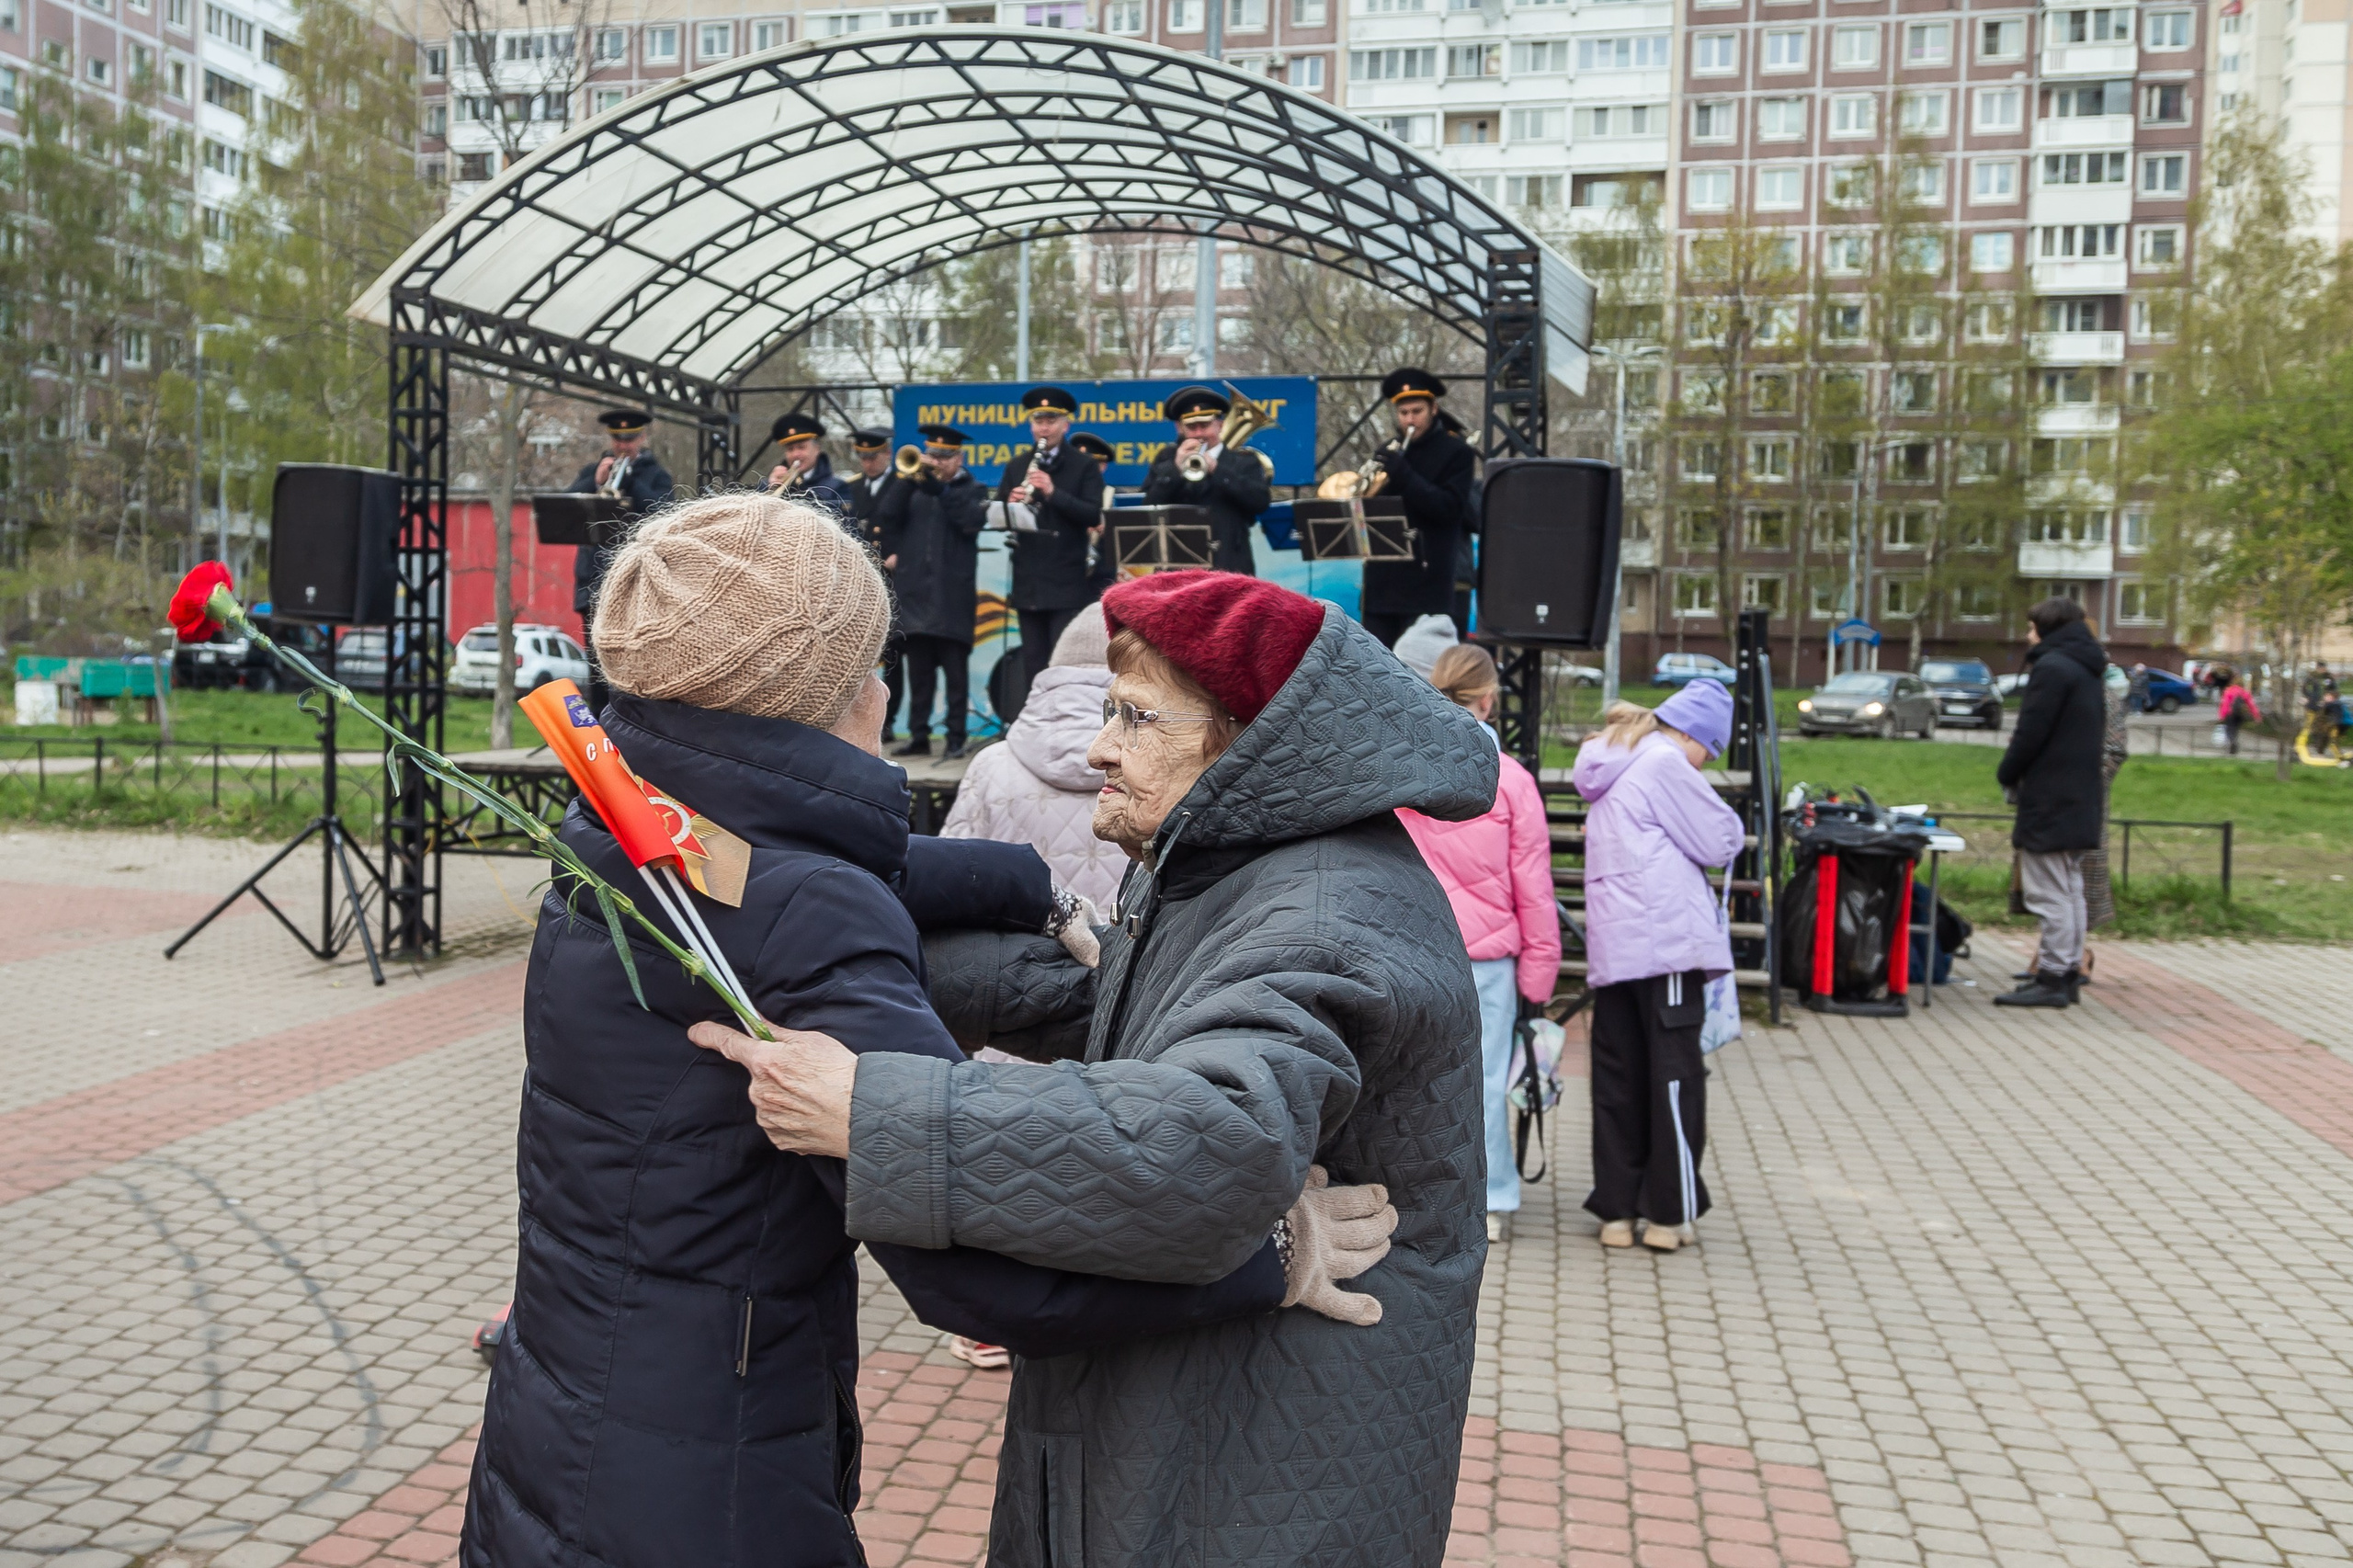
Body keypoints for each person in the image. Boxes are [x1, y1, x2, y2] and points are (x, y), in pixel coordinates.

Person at [460, 495, 1396, 1568]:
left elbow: (794, 859)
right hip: (708, 1480)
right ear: (841, 685)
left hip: (561, 1417)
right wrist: (1269, 1252)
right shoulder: (811, 910)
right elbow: (974, 1253)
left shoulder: (624, 826)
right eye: (871, 651)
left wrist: (1030, 893)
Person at [691, 568, 1501, 1568]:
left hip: (1246, 1475)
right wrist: (837, 953)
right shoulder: (1246, 863)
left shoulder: (1324, 913)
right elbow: (1130, 1003)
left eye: (1135, 716)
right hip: (1199, 1430)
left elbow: (1214, 1141)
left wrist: (875, 1109)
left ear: (1252, 739)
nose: (1096, 746)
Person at [1395, 643, 1560, 1244]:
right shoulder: (1512, 781)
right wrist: (1539, 976)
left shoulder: (1407, 771)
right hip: (1490, 958)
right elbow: (1534, 887)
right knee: (1486, 1079)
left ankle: (1415, 1190)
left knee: (1414, 1076)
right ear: (1490, 700)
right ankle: (1489, 1200)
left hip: (1416, 947)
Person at [1572, 682, 1745, 1252]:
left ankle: (1617, 1210)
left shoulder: (1612, 761)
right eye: (1710, 752)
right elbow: (1721, 840)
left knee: (1619, 1077)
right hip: (1666, 941)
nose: (1707, 765)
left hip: (1615, 948)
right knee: (1674, 1077)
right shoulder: (1665, 762)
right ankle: (1669, 1213)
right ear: (1693, 733)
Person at [938, 602, 1125, 913]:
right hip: (1134, 957)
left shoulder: (990, 766)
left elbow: (950, 881)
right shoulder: (1158, 766)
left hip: (1016, 957)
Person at [1995, 597, 2109, 1008]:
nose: (2028, 635)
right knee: (2070, 887)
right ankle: (2066, 972)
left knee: (2048, 892)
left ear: (2048, 628)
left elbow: (2032, 731)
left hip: (2050, 796)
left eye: (2032, 627)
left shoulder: (2053, 668)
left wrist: (2007, 771)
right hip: (2079, 795)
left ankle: (2054, 977)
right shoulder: (2087, 668)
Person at [879, 423, 984, 759]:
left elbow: (970, 522)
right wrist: (908, 480)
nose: (937, 462)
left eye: (944, 456)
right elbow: (886, 516)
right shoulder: (914, 487)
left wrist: (942, 492)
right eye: (933, 455)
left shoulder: (974, 489)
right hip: (915, 595)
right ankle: (919, 734)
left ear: (959, 457)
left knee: (955, 674)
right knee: (919, 673)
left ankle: (956, 737)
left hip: (953, 594)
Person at [995, 386, 1107, 699]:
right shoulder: (1017, 465)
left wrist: (1053, 492)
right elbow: (998, 512)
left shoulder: (1083, 465)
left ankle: (1066, 722)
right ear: (1031, 425)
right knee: (1033, 661)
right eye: (1039, 421)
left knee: (1063, 662)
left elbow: (1092, 513)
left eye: (1052, 420)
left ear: (1065, 424)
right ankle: (1035, 726)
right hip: (1027, 579)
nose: (1044, 427)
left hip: (1066, 580)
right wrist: (1011, 502)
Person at [1358, 369, 1477, 649]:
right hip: (1381, 585)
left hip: (1426, 587)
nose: (1410, 420)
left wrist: (1405, 476)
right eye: (1403, 413)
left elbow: (1449, 509)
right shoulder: (1390, 448)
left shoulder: (1456, 452)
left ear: (1434, 409)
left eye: (1417, 411)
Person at [569, 409, 675, 711]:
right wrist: (595, 482)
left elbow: (664, 513)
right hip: (594, 582)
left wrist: (630, 483)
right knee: (597, 667)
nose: (623, 446)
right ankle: (601, 733)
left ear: (642, 438)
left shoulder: (656, 475)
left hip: (636, 584)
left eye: (630, 439)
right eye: (618, 439)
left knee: (633, 663)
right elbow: (564, 508)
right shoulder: (593, 471)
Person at [1142, 384, 1271, 575]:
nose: (1199, 433)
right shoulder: (1167, 459)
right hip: (1177, 566)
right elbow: (1148, 506)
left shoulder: (1243, 461)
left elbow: (1260, 502)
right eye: (1192, 427)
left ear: (1219, 425)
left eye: (1205, 425)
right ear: (1179, 427)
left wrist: (1217, 470)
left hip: (1229, 563)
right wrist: (1175, 469)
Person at [840, 427, 906, 741]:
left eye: (874, 456)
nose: (868, 463)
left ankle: (889, 721)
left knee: (893, 655)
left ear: (887, 454)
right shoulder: (852, 488)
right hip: (862, 579)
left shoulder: (903, 482)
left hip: (893, 580)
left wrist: (899, 555)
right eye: (863, 457)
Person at [1071, 429, 1123, 600]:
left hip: (1102, 580)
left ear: (1103, 466)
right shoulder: (1061, 496)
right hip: (1066, 580)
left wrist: (1108, 530)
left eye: (1090, 464)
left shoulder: (1115, 497)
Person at [764, 412, 847, 509]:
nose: (795, 454)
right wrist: (769, 490)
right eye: (790, 449)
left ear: (816, 449)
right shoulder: (769, 484)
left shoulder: (837, 487)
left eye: (801, 447)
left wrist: (800, 487)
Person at [2218, 665, 2262, 756]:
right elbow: (2251, 704)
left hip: (2230, 714)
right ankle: (2234, 742)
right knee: (2235, 729)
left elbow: (2225, 704)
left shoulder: (2229, 691)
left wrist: (2222, 715)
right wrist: (2257, 716)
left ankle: (2231, 742)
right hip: (2240, 714)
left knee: (2230, 729)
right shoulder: (2244, 692)